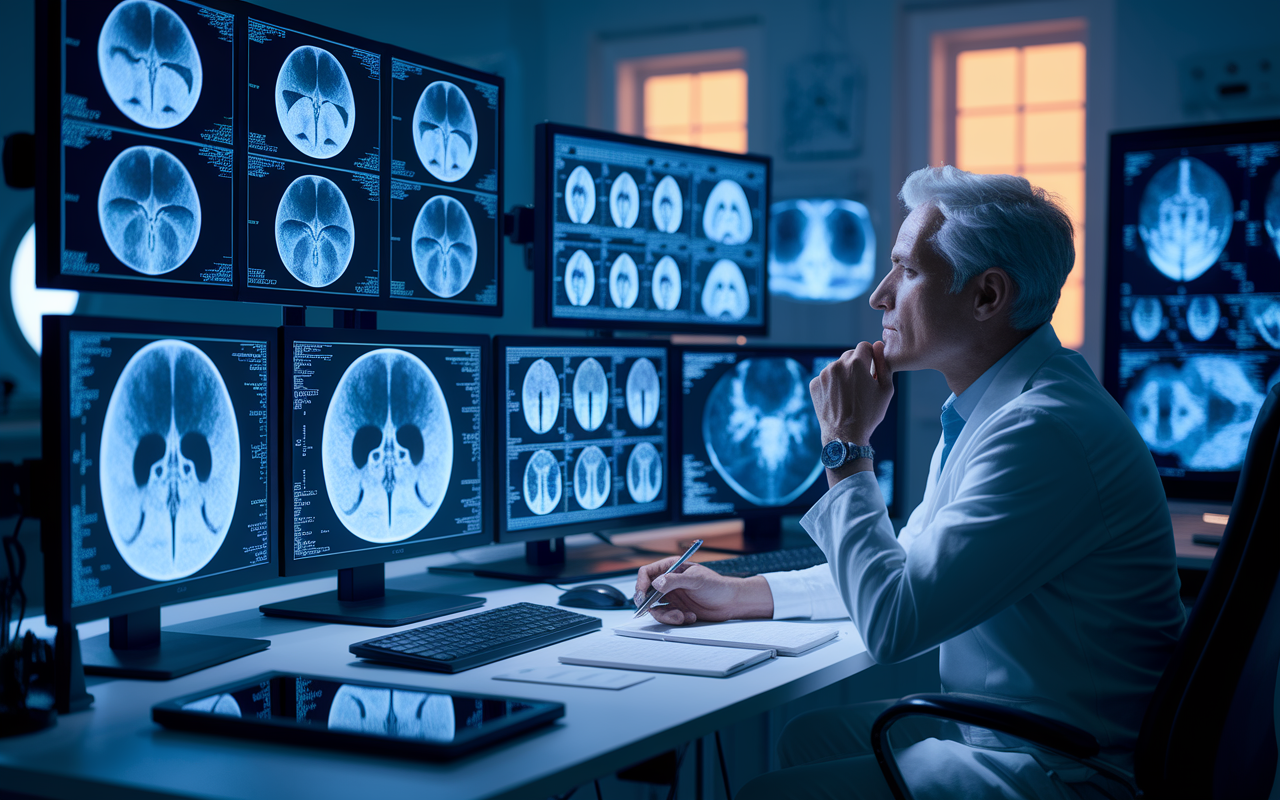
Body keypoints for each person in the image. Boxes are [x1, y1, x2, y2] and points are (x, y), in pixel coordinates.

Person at [634, 166, 1185, 800]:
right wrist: (737, 595)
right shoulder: (996, 409)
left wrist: (848, 448)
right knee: (807, 738)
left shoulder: (1041, 432)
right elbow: (903, 567)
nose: (880, 294)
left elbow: (894, 622)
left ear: (986, 297)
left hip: (1069, 766)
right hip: (1028, 733)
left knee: (769, 793)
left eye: (908, 270)